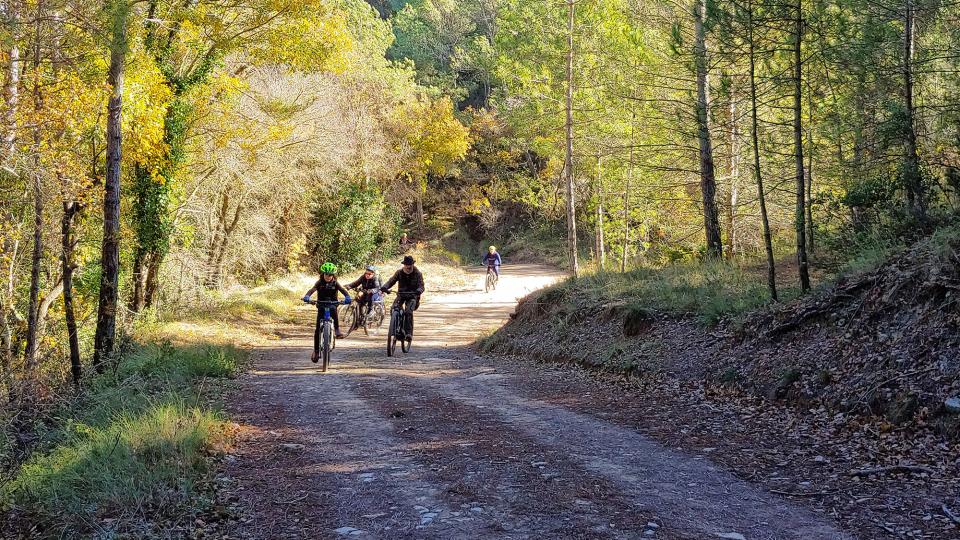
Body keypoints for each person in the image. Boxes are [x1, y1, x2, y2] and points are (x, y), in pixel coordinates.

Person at [302, 262, 351, 363]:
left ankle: (337, 329)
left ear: (333, 275)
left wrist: (347, 297)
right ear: (323, 274)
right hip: (321, 304)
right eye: (326, 274)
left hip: (332, 303)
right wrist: (307, 296)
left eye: (330, 275)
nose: (328, 277)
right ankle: (316, 350)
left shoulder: (335, 283)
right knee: (317, 330)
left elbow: (342, 290)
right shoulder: (319, 282)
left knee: (334, 310)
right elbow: (313, 289)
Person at [380, 255, 425, 337]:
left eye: (410, 264)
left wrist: (419, 291)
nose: (408, 266)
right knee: (394, 308)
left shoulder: (417, 274)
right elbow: (391, 281)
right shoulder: (399, 272)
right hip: (401, 295)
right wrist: (385, 287)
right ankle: (396, 326)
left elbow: (421, 286)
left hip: (412, 296)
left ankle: (408, 333)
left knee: (408, 312)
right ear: (404, 265)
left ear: (413, 264)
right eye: (406, 265)